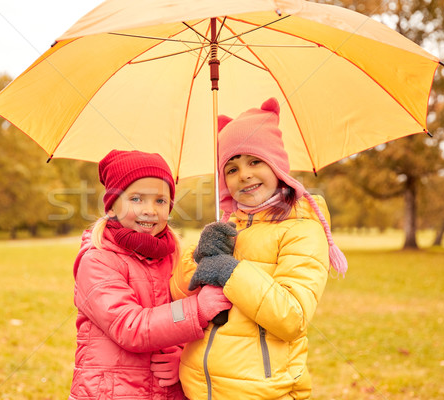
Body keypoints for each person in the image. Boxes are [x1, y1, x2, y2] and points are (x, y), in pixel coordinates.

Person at [170, 98, 348, 400]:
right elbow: (177, 298)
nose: (244, 175)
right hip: (199, 389)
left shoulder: (302, 229)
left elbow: (292, 318)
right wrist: (200, 254)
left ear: (277, 165)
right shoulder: (227, 228)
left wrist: (231, 272)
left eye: (255, 161)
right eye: (232, 168)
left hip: (262, 391)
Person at [70, 149, 232, 400]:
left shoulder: (174, 256)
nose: (150, 210)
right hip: (114, 391)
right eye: (136, 199)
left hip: (167, 391)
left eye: (160, 200)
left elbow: (187, 323)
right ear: (112, 206)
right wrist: (197, 309)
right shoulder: (97, 259)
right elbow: (129, 327)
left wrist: (183, 356)